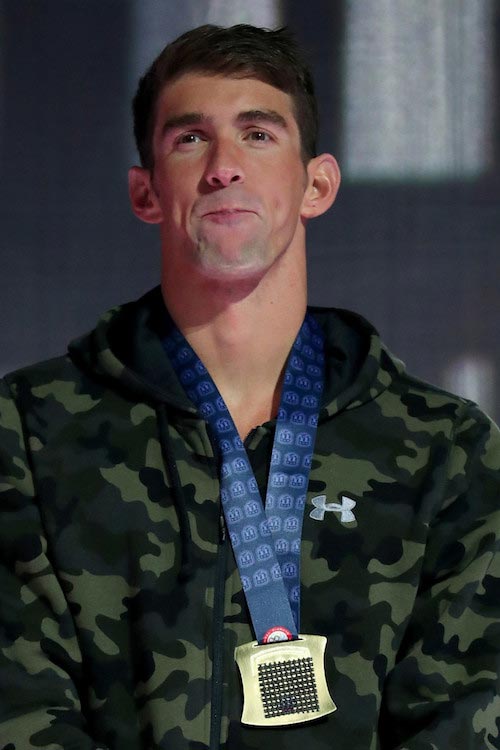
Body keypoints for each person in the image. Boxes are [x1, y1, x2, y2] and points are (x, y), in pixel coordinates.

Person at [0, 23, 499, 750]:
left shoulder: (441, 447)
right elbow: (20, 713)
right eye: (189, 139)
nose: (224, 166)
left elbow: (466, 718)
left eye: (258, 135)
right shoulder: (29, 432)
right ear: (144, 192)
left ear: (316, 184)